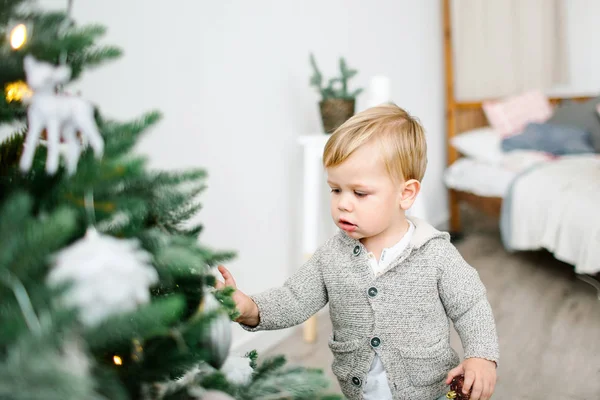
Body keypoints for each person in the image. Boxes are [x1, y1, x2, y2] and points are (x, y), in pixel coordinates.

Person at [216, 104, 499, 400]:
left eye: (359, 193)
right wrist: (251, 309)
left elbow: (471, 306)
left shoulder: (435, 254)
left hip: (430, 390)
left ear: (406, 193)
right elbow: (294, 298)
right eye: (336, 190)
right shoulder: (331, 256)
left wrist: (482, 355)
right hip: (361, 391)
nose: (343, 204)